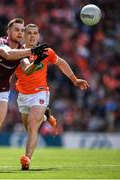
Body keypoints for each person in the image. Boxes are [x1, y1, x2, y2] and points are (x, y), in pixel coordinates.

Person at [0, 18, 48, 171]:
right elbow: (8, 54)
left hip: (1, 91)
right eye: (16, 29)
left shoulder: (22, 52)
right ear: (8, 32)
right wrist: (32, 50)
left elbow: (27, 69)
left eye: (21, 30)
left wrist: (37, 62)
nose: (20, 32)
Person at [15, 24, 89, 170]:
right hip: (23, 95)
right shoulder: (19, 52)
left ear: (38, 35)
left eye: (35, 33)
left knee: (32, 125)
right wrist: (36, 61)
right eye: (29, 33)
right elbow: (27, 70)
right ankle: (45, 115)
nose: (32, 36)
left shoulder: (47, 51)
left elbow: (61, 63)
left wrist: (75, 80)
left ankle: (27, 159)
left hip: (40, 92)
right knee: (29, 128)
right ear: (24, 36)